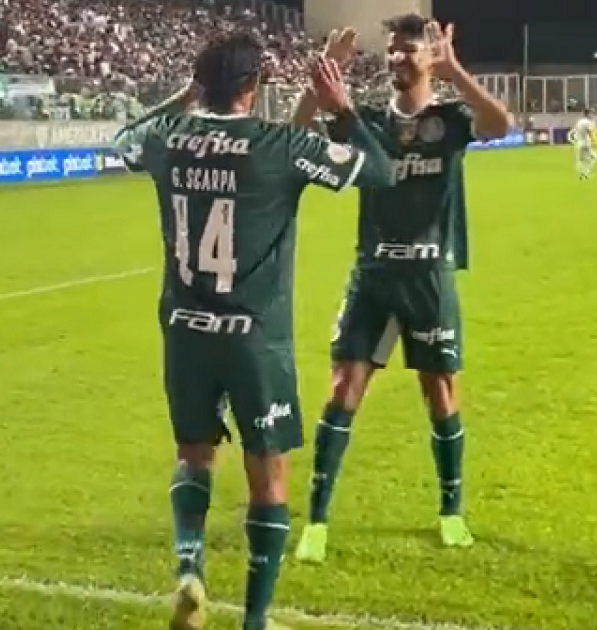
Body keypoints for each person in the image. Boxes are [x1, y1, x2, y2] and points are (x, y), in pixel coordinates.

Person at [111, 32, 397, 630]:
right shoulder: (280, 146)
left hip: (185, 331)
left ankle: (189, 567)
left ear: (201, 84)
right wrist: (340, 108)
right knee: (268, 475)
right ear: (255, 85)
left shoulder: (169, 137)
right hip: (255, 337)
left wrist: (180, 99)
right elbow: (379, 172)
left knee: (194, 454)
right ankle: (256, 620)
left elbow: (119, 141)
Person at [288, 14, 514, 563]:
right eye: (391, 50)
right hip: (373, 275)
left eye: (407, 50)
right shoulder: (366, 119)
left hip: (429, 277)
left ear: (428, 57)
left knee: (441, 394)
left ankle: (451, 511)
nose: (395, 58)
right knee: (342, 391)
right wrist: (322, 78)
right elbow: (295, 132)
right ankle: (316, 521)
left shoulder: (449, 120)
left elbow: (501, 124)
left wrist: (457, 72)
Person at [570, 108, 597, 179]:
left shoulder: (579, 122)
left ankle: (582, 174)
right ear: (588, 114)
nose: (592, 115)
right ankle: (586, 173)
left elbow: (575, 131)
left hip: (579, 143)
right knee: (594, 157)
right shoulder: (588, 122)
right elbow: (589, 131)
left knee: (581, 160)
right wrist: (593, 139)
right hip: (586, 143)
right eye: (591, 113)